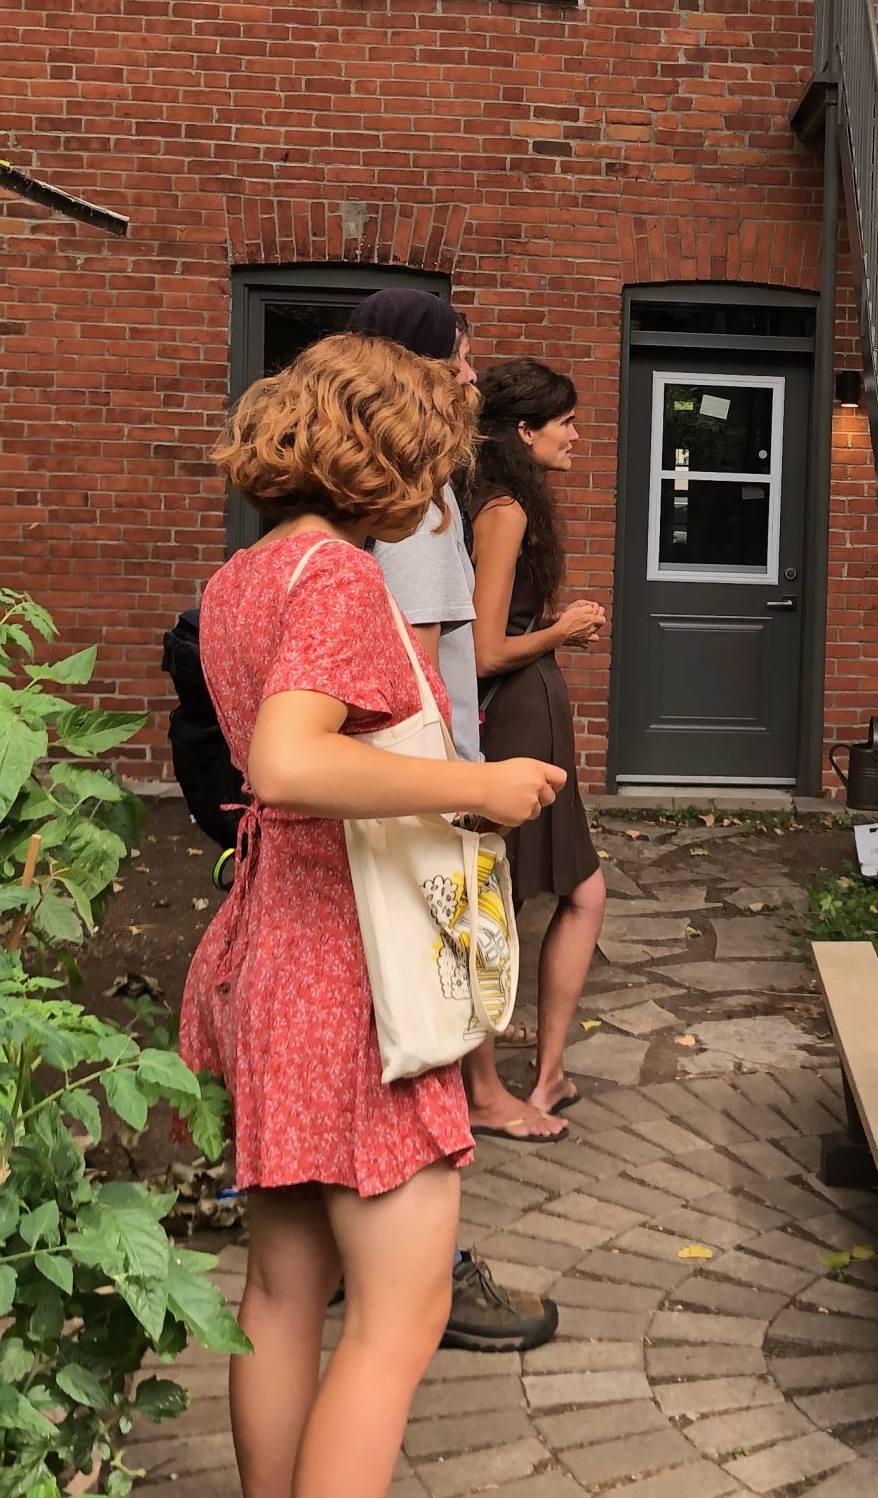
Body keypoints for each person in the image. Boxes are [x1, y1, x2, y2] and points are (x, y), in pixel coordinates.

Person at [180, 333, 568, 1494]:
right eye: (436, 459)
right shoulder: (344, 579)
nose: (444, 486)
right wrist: (480, 785)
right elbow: (290, 763)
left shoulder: (240, 577)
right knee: (401, 1317)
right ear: (393, 456)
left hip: (270, 954)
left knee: (284, 1295)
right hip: (356, 975)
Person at [345, 290, 566, 1149]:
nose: (474, 374)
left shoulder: (365, 487)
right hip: (432, 767)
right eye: (460, 357)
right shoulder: (420, 500)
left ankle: (468, 1092)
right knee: (452, 937)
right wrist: (463, 783)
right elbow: (417, 665)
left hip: (424, 767)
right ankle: (460, 1106)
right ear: (415, 365)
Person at [466, 358, 609, 1119]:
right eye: (565, 422)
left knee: (574, 888)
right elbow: (486, 649)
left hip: (533, 710)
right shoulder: (504, 511)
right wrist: (562, 630)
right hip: (516, 714)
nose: (577, 436)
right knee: (505, 894)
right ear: (523, 431)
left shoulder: (501, 501)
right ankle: (490, 1086)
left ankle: (546, 1071)